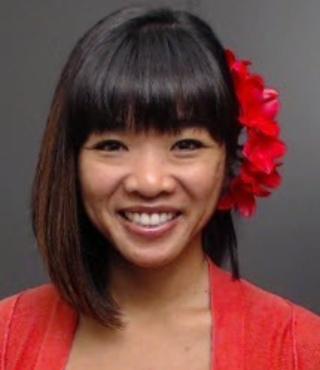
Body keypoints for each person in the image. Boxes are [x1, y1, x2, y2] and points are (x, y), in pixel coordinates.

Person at [0, 4, 319, 370]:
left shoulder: (301, 349)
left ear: (230, 159)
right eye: (112, 146)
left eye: (185, 145)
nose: (149, 182)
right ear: (71, 162)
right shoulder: (6, 339)